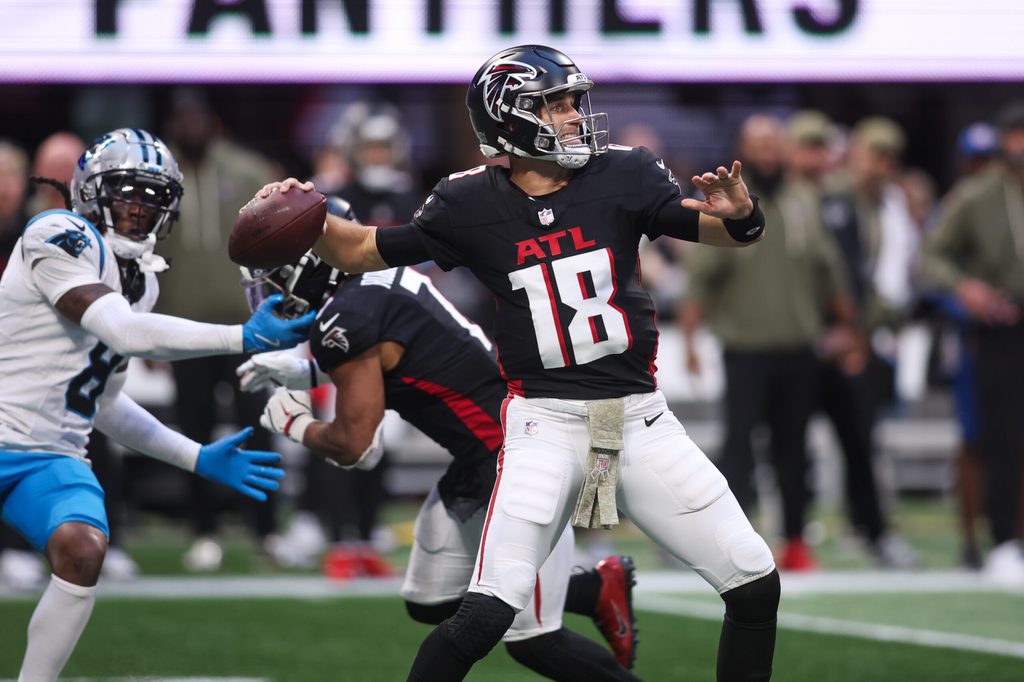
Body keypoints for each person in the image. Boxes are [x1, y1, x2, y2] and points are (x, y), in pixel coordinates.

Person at [263, 44, 779, 681]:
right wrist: (302, 210)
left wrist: (744, 217)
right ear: (510, 118)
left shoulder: (626, 173)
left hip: (640, 420)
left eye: (572, 102)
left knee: (753, 581)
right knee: (484, 615)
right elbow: (363, 249)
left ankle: (600, 585)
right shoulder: (468, 203)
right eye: (556, 104)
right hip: (545, 425)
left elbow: (720, 229)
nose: (573, 115)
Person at [236, 202, 644, 677]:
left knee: (534, 640)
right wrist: (310, 371)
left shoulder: (348, 316)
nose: (271, 291)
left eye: (276, 276)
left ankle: (588, 598)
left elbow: (357, 447)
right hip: (484, 457)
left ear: (309, 266)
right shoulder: (370, 291)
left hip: (520, 458)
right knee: (429, 601)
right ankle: (593, 588)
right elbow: (405, 364)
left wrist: (294, 424)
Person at [0, 127, 312, 682]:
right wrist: (241, 338)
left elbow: (107, 404)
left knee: (83, 549)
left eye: (152, 197)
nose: (138, 209)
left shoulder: (141, 282)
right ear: (90, 191)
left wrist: (196, 456)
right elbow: (123, 332)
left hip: (50, 456)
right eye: (126, 193)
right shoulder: (57, 233)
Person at [680, 113, 857, 572]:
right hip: (746, 348)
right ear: (742, 148)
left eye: (772, 142)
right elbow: (700, 279)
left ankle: (796, 540)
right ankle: (733, 541)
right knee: (738, 447)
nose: (767, 151)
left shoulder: (804, 200)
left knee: (794, 450)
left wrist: (851, 331)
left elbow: (829, 272)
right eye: (757, 143)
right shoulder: (729, 204)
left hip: (799, 347)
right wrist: (692, 341)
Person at [156, 88, 281, 571]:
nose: (191, 127)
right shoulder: (162, 177)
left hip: (249, 328)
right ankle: (204, 531)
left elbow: (278, 243)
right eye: (182, 119)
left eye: (197, 118)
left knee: (260, 428)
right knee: (196, 434)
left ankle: (268, 532)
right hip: (185, 330)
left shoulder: (247, 171)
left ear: (213, 122)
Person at [920, 102, 1024, 584]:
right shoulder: (976, 196)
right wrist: (967, 290)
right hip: (1000, 326)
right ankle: (1003, 539)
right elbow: (932, 257)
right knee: (999, 436)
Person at [817, 116, 921, 568]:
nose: (878, 165)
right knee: (771, 438)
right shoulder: (831, 198)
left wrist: (870, 331)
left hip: (861, 337)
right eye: (872, 154)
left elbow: (888, 279)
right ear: (855, 152)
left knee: (861, 440)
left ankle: (872, 530)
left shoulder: (891, 207)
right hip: (815, 336)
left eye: (887, 158)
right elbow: (826, 273)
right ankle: (781, 535)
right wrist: (836, 330)